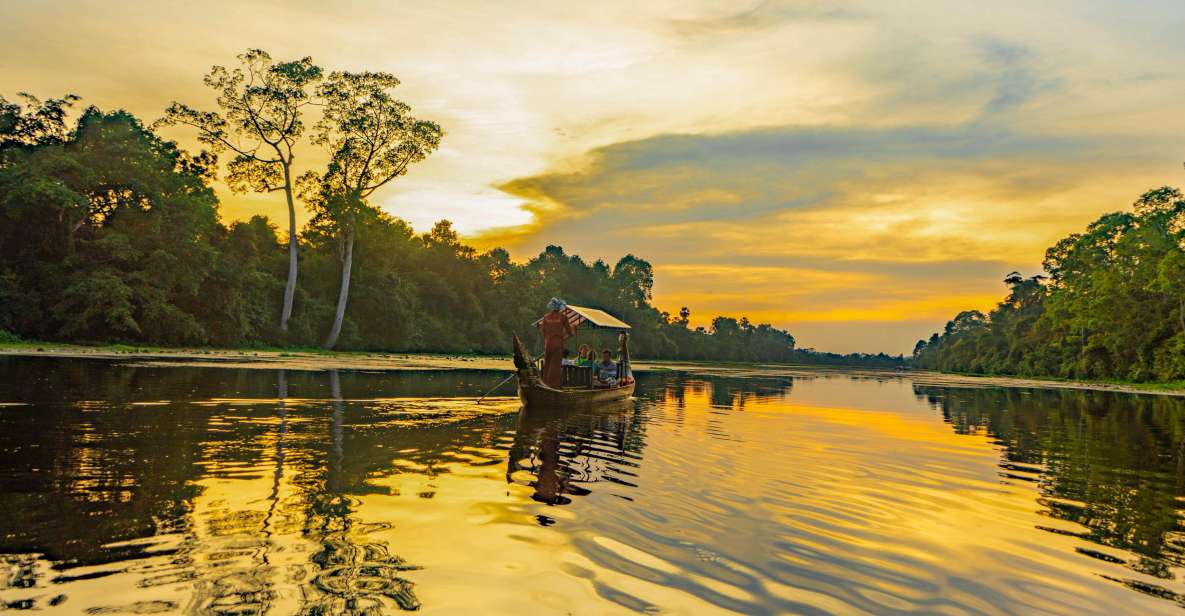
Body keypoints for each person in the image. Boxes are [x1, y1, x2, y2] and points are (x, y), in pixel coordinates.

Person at [538, 298, 573, 388]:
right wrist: (563, 338)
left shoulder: (546, 317)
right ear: (559, 307)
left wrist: (547, 342)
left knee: (547, 366)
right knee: (555, 367)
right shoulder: (563, 317)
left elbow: (543, 332)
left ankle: (545, 385)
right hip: (558, 345)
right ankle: (553, 387)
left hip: (548, 344)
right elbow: (570, 333)